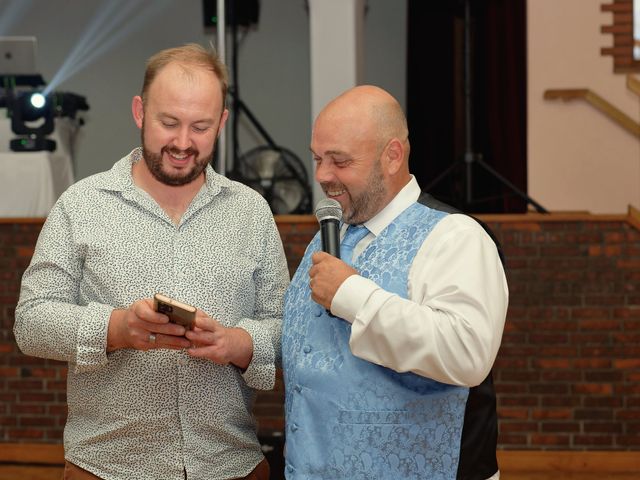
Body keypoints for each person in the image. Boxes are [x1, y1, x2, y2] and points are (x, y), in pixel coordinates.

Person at [14, 44, 289, 480]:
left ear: (222, 122)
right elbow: (31, 322)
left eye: (200, 127)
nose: (182, 143)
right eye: (169, 123)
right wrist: (116, 329)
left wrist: (236, 343)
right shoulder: (81, 205)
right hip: (106, 468)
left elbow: (287, 328)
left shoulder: (251, 212)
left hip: (229, 466)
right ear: (140, 112)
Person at [281, 85, 508, 479]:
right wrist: (239, 343)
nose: (322, 176)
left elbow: (467, 352)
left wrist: (352, 295)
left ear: (392, 156)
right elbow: (310, 345)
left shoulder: (456, 236)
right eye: (318, 158)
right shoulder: (329, 234)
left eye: (340, 161)